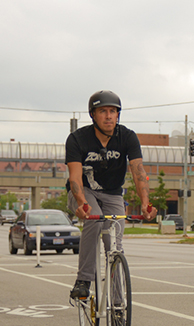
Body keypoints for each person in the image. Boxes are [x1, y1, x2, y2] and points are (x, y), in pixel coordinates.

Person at [66, 90, 156, 299]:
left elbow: (138, 171)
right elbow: (75, 177)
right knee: (94, 220)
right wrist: (81, 203)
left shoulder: (127, 137)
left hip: (113, 194)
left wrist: (145, 203)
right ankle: (83, 280)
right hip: (84, 191)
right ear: (93, 115)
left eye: (113, 111)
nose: (108, 116)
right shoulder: (77, 139)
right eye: (103, 111)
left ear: (118, 114)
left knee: (114, 243)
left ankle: (117, 302)